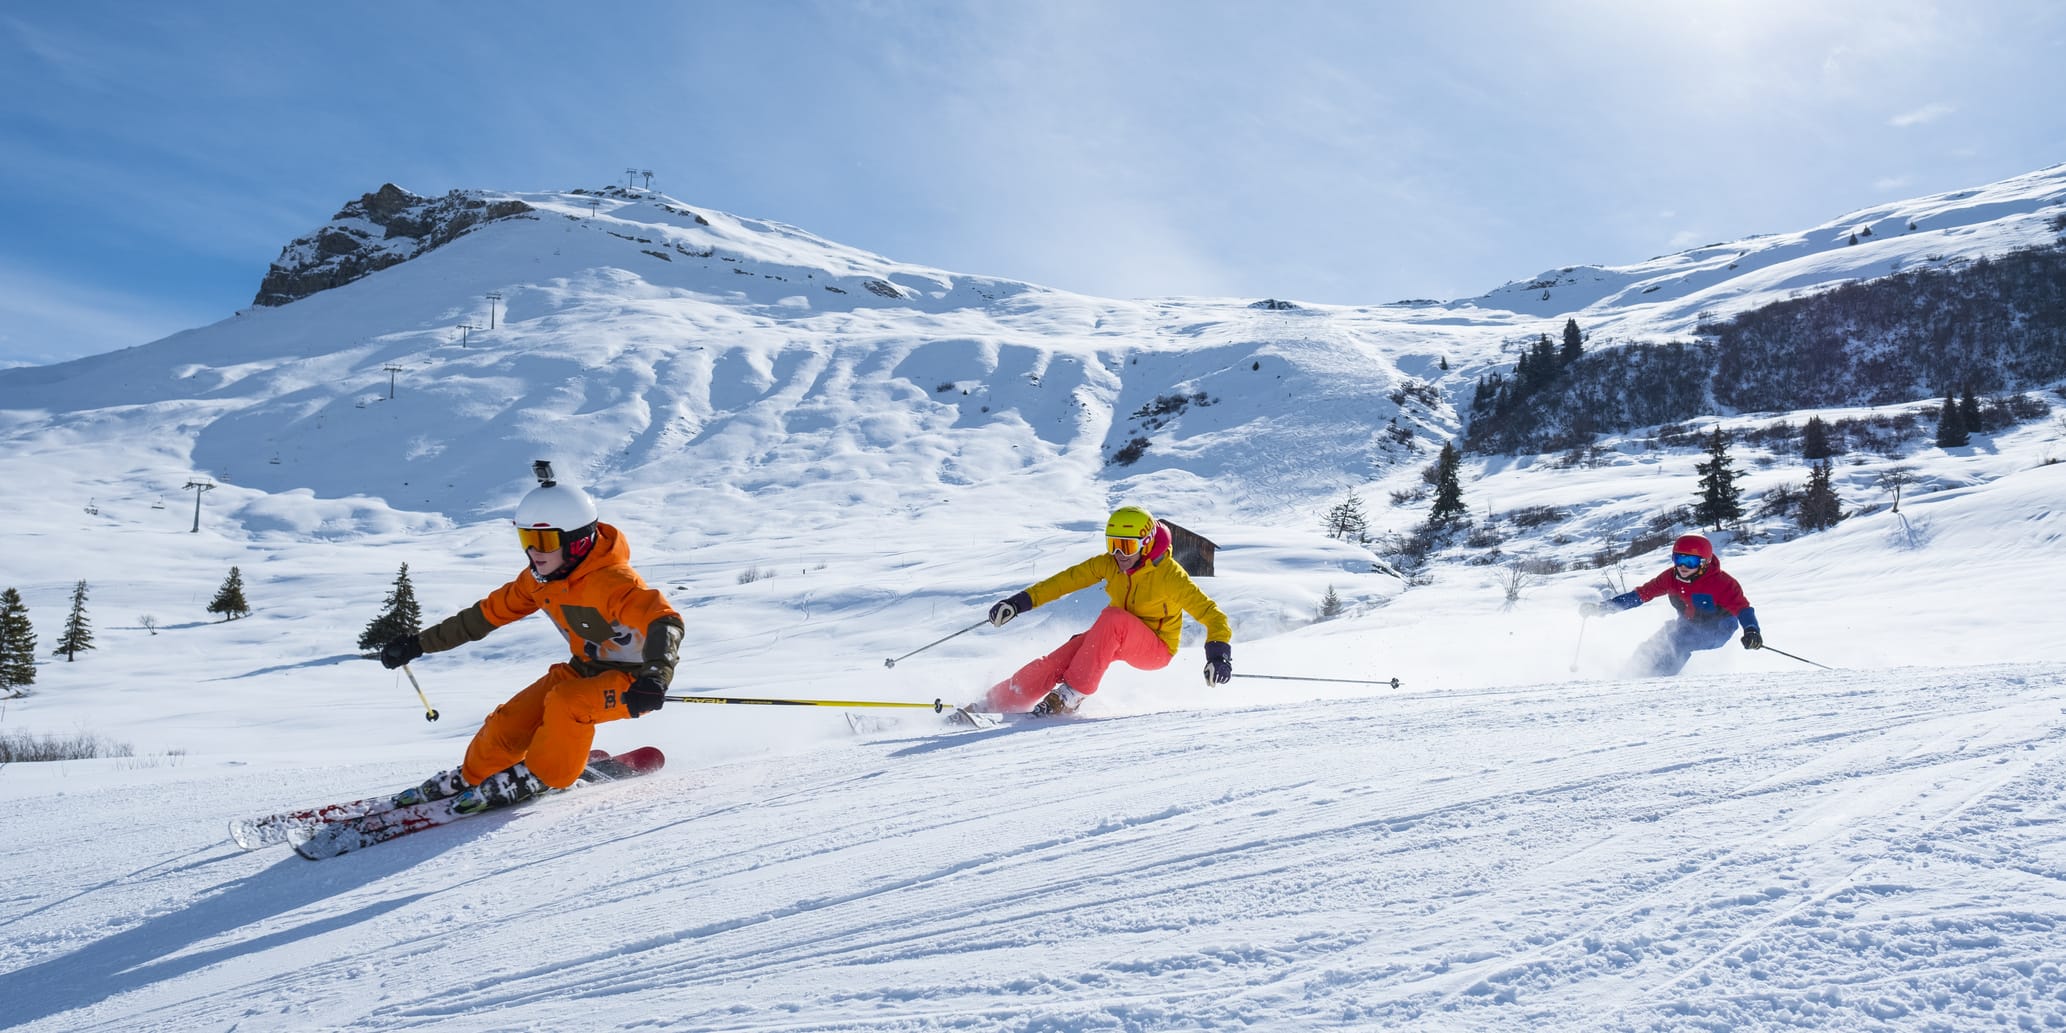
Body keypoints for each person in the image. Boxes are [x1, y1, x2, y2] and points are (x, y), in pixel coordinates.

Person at [380, 462, 683, 812]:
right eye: (527, 539)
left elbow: (666, 621)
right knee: (508, 722)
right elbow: (483, 616)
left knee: (568, 703)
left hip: (633, 682)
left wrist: (656, 676)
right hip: (583, 670)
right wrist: (418, 643)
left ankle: (545, 774)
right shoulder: (538, 581)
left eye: (544, 541)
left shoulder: (613, 582)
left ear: (578, 541)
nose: (533, 552)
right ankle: (476, 775)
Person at [979, 505, 1233, 716]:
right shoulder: (1110, 563)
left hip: (1156, 647)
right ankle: (997, 701)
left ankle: (1072, 695)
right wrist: (1018, 602)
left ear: (1145, 544)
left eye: (1127, 546)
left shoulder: (1169, 575)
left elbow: (1212, 614)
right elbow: (1064, 581)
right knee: (1062, 657)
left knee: (1113, 618)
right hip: (1114, 635)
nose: (1119, 554)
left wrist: (1218, 655)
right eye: (1113, 544)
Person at [1580, 532, 1762, 676]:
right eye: (1679, 559)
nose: (1683, 567)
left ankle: (1657, 681)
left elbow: (1743, 609)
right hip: (1686, 625)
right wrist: (1603, 608)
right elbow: (1641, 595)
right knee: (1653, 645)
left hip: (1718, 629)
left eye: (1690, 561)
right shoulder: (1670, 578)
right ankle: (1627, 677)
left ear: (1705, 563)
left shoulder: (1722, 583)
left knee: (1678, 643)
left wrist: (1752, 630)